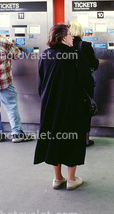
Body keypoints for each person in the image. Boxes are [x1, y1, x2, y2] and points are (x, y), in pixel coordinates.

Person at [34, 22, 94, 190]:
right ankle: (72, 179)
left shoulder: (45, 55)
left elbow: (41, 83)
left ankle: (57, 178)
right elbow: (86, 82)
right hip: (72, 107)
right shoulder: (76, 55)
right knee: (73, 140)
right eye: (69, 34)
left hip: (50, 106)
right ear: (61, 37)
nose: (72, 37)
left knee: (55, 139)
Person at [69, 21, 99, 147]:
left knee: (71, 109)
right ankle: (85, 139)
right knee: (86, 110)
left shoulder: (65, 45)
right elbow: (94, 64)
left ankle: (71, 138)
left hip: (69, 83)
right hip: (85, 83)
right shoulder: (85, 46)